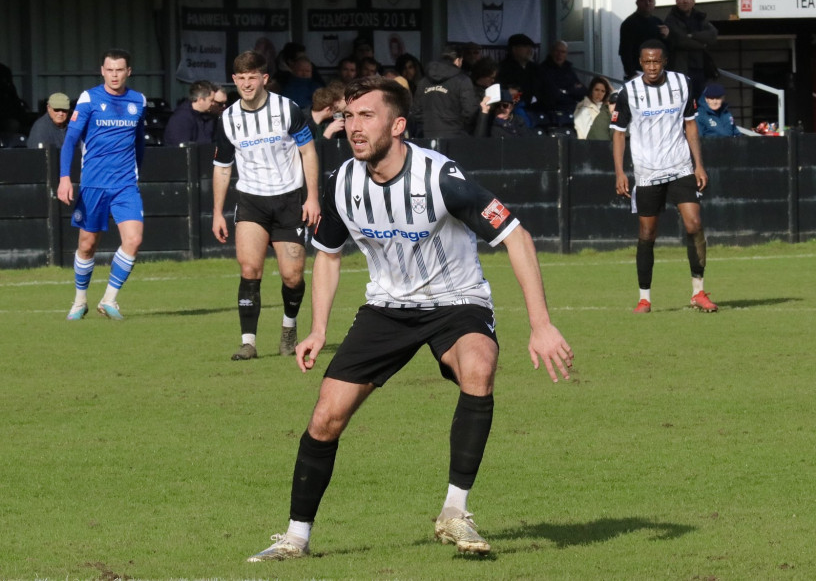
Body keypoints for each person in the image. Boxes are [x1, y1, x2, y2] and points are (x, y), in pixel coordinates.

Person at [244, 76, 573, 563]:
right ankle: (296, 538)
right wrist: (317, 329)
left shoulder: (440, 178)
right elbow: (329, 256)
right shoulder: (343, 184)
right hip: (386, 308)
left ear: (397, 125)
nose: (353, 127)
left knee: (478, 368)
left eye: (366, 116)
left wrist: (540, 324)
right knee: (325, 417)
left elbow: (517, 237)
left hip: (456, 301)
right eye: (349, 117)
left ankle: (454, 512)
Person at [211, 50, 321, 360]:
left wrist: (312, 197)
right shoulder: (228, 118)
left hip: (289, 201)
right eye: (241, 78)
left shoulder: (288, 110)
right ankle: (248, 342)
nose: (246, 83)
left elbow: (308, 153)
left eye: (252, 77)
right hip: (251, 202)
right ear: (234, 80)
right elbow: (222, 166)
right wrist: (217, 211)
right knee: (249, 268)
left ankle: (289, 329)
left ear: (264, 78)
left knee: (293, 276)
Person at [611, 39, 718, 314]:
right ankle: (644, 298)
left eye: (656, 61)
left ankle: (698, 291)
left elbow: (691, 125)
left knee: (694, 224)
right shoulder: (629, 91)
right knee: (647, 233)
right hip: (647, 173)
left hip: (680, 166)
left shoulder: (682, 83)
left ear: (665, 61)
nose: (651, 66)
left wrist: (699, 165)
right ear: (640, 62)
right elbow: (619, 133)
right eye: (646, 62)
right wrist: (620, 172)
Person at [58, 49, 147, 321]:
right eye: (110, 70)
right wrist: (64, 177)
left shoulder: (138, 101)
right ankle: (79, 300)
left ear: (128, 71)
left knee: (133, 239)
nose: (114, 75)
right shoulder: (89, 98)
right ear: (102, 71)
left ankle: (109, 299)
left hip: (125, 185)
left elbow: (140, 142)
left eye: (120, 70)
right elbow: (71, 139)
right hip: (93, 185)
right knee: (87, 245)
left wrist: (136, 173)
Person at [410, 45, 479, 138]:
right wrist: (457, 125)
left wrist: (430, 123)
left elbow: (416, 112)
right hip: (456, 135)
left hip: (428, 135)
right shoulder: (463, 80)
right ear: (458, 61)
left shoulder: (423, 82)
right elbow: (470, 111)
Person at [664, 0, 718, 100]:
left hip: (700, 69)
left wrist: (692, 35)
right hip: (680, 70)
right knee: (683, 102)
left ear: (693, 2)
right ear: (676, 1)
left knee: (699, 103)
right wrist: (702, 45)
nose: (685, 1)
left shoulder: (700, 17)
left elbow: (713, 35)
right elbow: (680, 41)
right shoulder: (670, 20)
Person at [619, 0, 670, 80]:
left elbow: (666, 48)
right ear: (637, 3)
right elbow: (625, 51)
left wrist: (666, 37)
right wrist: (631, 73)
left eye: (650, 1)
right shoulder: (629, 23)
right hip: (638, 71)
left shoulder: (658, 22)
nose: (647, 3)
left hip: (657, 70)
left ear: (654, 4)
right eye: (643, 1)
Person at [538, 40, 589, 120]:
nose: (560, 55)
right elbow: (553, 95)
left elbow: (583, 91)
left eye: (563, 52)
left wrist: (567, 91)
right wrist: (572, 90)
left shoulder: (568, 68)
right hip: (553, 111)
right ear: (551, 52)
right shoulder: (543, 70)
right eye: (557, 51)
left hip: (572, 108)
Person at [163, 80, 220, 147]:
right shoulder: (182, 118)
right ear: (200, 100)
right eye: (211, 100)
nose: (214, 103)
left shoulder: (209, 117)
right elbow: (181, 149)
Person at [496, 33, 540, 113]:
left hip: (537, 108)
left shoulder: (535, 68)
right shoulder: (503, 68)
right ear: (514, 49)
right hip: (515, 110)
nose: (530, 50)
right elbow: (507, 94)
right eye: (525, 47)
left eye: (530, 47)